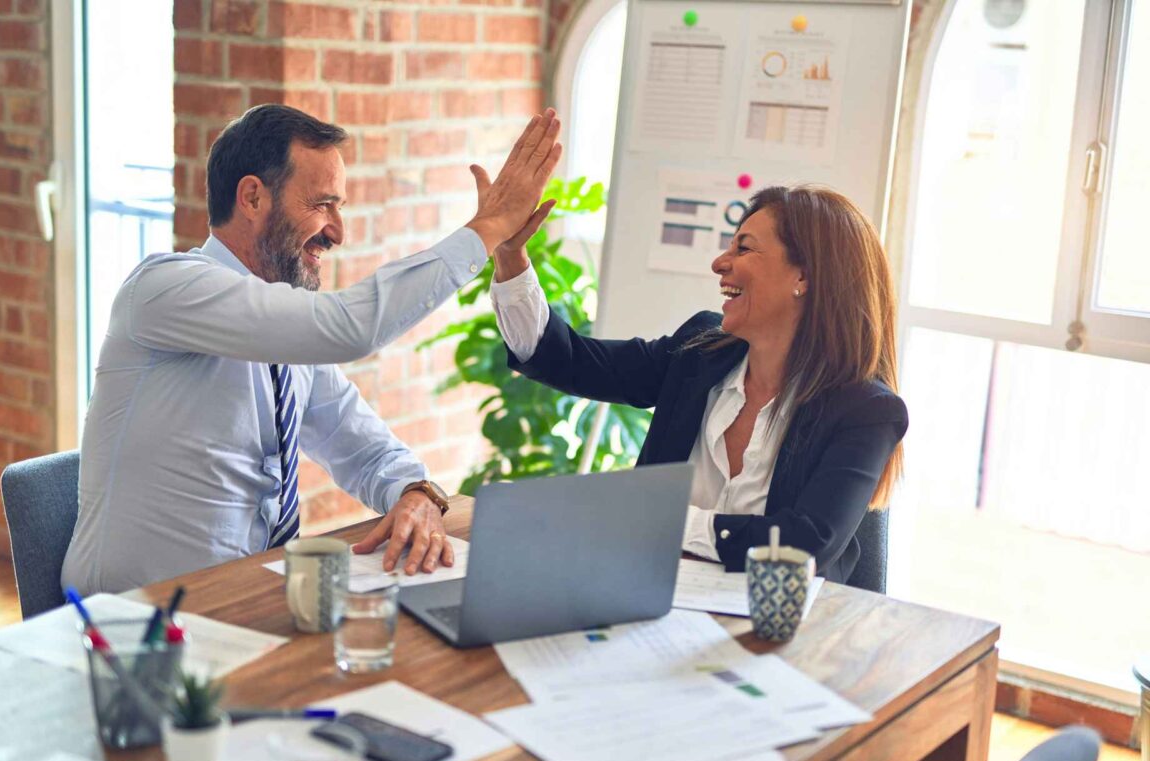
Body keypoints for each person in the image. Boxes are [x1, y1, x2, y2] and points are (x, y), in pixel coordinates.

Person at [61, 104, 561, 594]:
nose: (337, 232)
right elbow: (350, 328)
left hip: (245, 603)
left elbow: (362, 446)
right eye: (322, 204)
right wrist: (489, 228)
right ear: (253, 198)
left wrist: (415, 492)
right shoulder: (165, 289)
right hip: (131, 625)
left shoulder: (286, 337)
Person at [490, 185, 907, 582]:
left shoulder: (865, 411)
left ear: (804, 277)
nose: (720, 263)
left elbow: (803, 546)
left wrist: (664, 520)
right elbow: (568, 360)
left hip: (781, 632)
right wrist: (511, 256)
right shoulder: (700, 352)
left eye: (743, 247)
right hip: (651, 601)